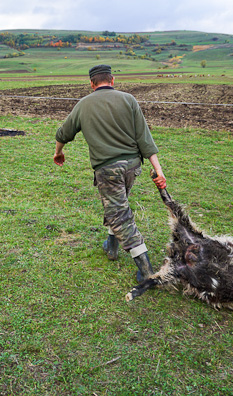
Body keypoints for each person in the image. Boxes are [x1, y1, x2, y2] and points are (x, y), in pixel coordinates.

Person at [53, 64, 167, 281]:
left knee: (120, 215)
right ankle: (111, 248)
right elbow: (145, 139)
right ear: (112, 80)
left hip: (108, 170)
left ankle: (147, 271)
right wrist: (158, 170)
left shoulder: (83, 105)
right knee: (118, 206)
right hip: (133, 167)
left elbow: (63, 133)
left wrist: (58, 152)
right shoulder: (129, 99)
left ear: (91, 84)